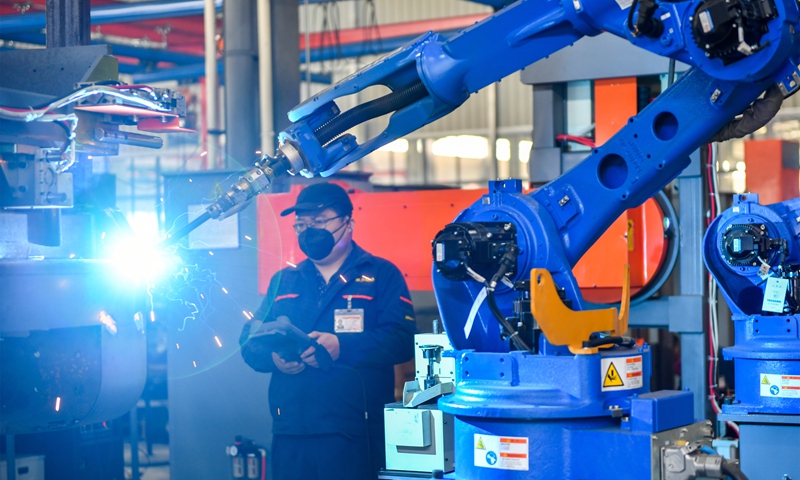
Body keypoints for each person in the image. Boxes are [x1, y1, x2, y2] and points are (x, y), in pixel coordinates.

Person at [239, 182, 416, 480]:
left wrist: (342, 346)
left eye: (319, 222)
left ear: (348, 223)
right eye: (302, 224)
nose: (310, 230)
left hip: (354, 432)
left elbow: (402, 339)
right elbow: (249, 343)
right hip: (291, 430)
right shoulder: (284, 281)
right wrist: (274, 358)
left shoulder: (380, 274)